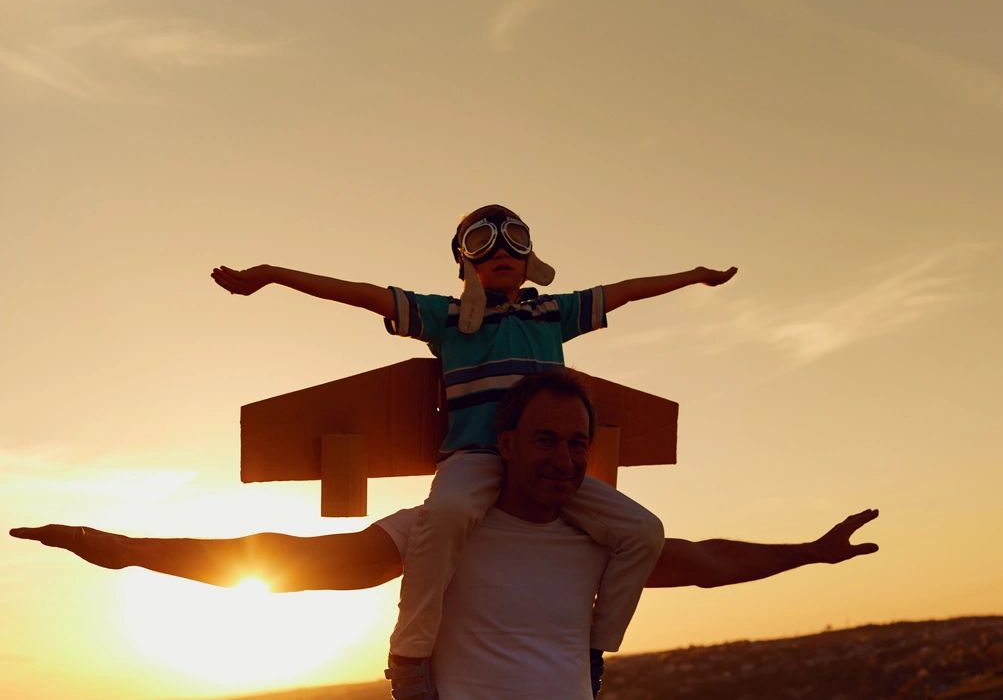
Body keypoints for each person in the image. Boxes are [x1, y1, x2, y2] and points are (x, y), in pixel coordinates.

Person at [11, 370, 880, 699]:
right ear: (503, 445)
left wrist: (812, 551)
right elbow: (283, 562)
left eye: (578, 444)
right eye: (546, 439)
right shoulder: (435, 532)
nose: (564, 458)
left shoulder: (600, 543)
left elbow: (707, 563)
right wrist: (122, 546)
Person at [210, 206, 738, 696]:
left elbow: (623, 291)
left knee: (642, 531)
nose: (501, 250)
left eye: (515, 239)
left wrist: (691, 276)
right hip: (476, 459)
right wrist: (276, 274)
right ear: (464, 258)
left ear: (531, 258)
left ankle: (595, 647)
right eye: (482, 240)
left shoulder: (554, 313)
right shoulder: (448, 316)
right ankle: (410, 655)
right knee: (447, 512)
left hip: (546, 469)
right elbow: (366, 294)